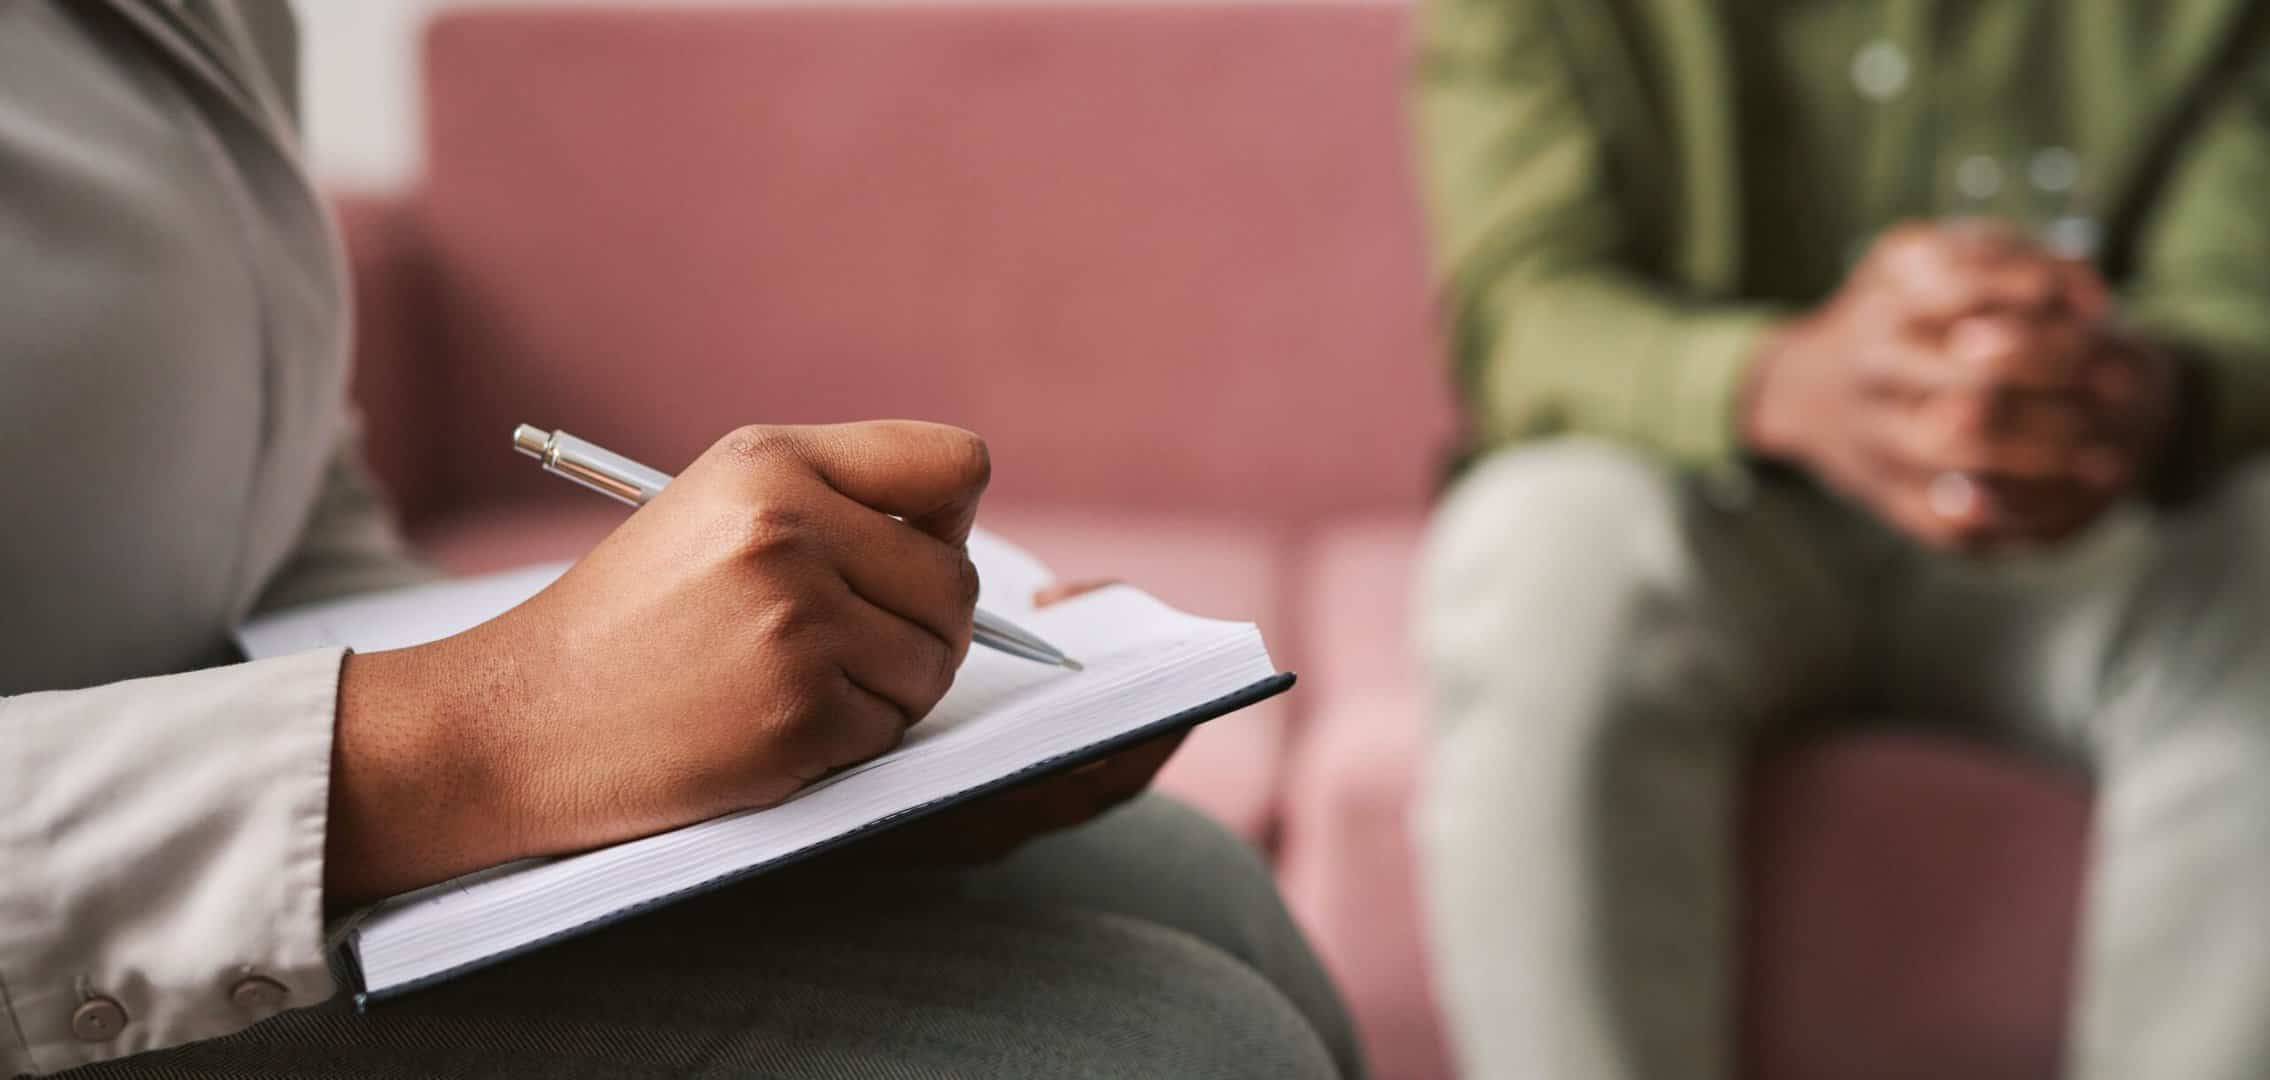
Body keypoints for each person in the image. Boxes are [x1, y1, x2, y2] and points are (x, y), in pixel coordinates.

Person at [0, 3, 1360, 1077]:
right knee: (1141, 1050)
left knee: (1194, 876)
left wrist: (711, 770)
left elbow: (288, 513)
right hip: (87, 944)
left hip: (259, 806)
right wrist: (486, 735)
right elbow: (460, 724)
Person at [1411, 0, 2270, 1077]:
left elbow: (2238, 299)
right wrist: (1779, 382)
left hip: (2091, 523)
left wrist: (2114, 389)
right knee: (1539, 549)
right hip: (1709, 504)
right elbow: (1521, 311)